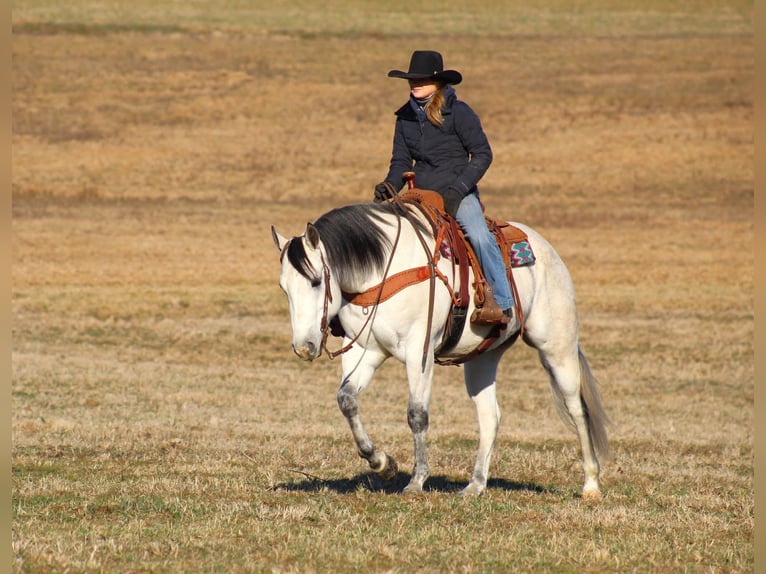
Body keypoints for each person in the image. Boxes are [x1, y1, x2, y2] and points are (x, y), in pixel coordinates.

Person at [374, 50, 515, 326]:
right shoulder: (404, 117)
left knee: (477, 234)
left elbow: (483, 154)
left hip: (456, 191)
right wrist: (390, 185)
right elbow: (401, 160)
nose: (416, 84)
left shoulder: (459, 113)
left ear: (438, 82)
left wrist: (459, 188)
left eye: (423, 79)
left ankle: (502, 302)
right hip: (419, 194)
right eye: (412, 79)